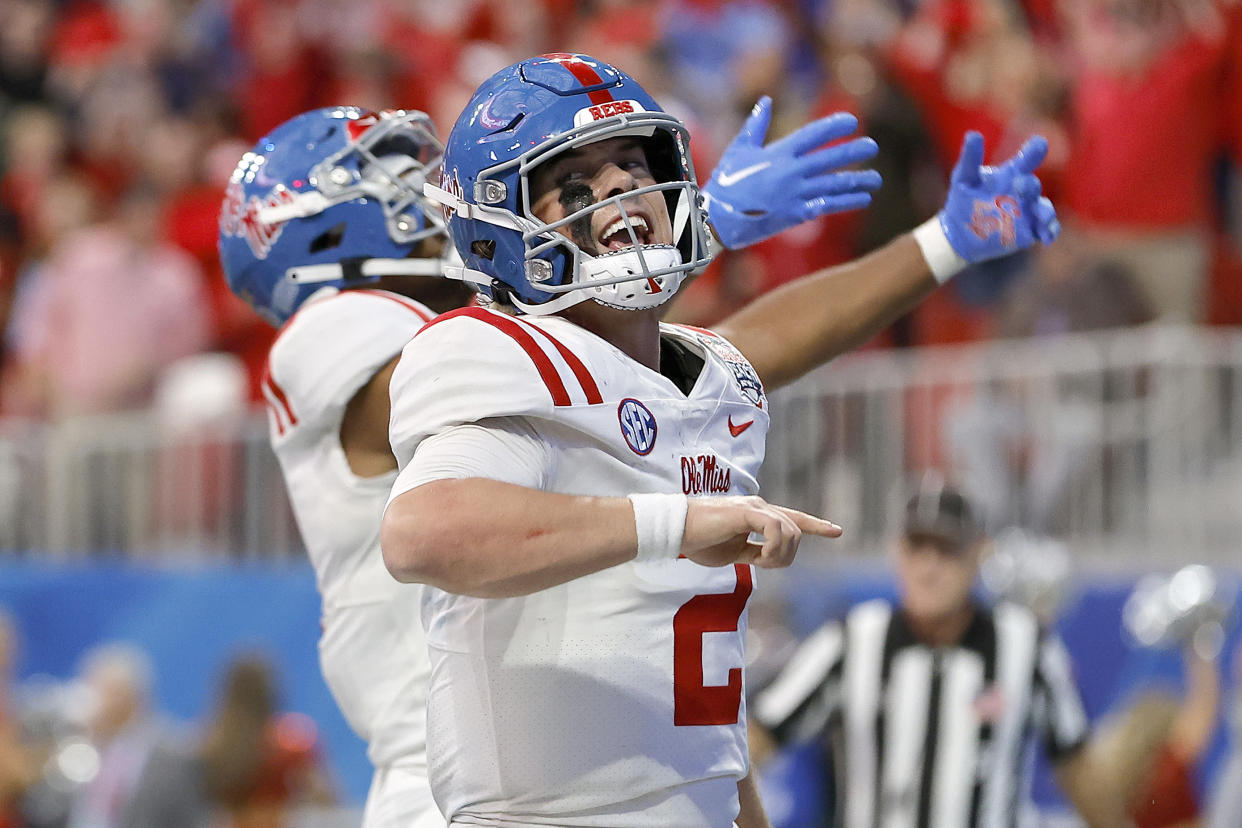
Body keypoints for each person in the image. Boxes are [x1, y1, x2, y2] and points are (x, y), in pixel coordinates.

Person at [381, 52, 1061, 827]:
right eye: (574, 186)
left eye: (632, 168)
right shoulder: (501, 354)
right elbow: (422, 533)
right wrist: (680, 522)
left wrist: (943, 243)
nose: (617, 191)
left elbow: (767, 342)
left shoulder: (706, 382)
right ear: (503, 231)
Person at [217, 99, 882, 828]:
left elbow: (712, 350)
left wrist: (939, 246)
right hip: (464, 779)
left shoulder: (511, 350)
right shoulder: (343, 329)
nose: (431, 186)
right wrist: (684, 225)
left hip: (567, 750)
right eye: (400, 172)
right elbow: (527, 360)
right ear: (322, 221)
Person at [751, 478, 1126, 827]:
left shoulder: (1026, 647)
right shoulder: (850, 642)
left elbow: (1078, 770)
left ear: (979, 553)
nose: (929, 568)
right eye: (917, 547)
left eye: (947, 549)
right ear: (897, 551)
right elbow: (758, 738)